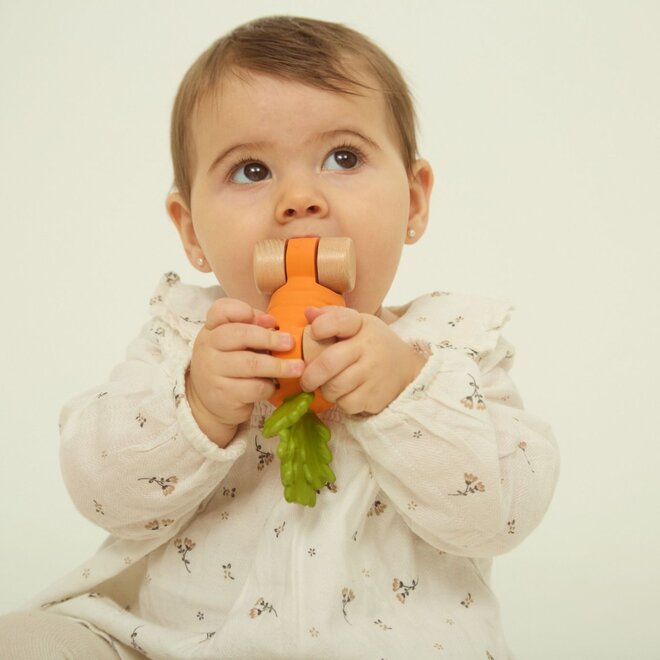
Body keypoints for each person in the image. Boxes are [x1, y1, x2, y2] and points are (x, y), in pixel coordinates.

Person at [0, 15, 559, 659]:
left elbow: (504, 515)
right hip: (171, 645)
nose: (298, 198)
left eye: (343, 157)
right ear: (190, 231)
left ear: (414, 201)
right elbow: (100, 492)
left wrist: (404, 394)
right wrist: (197, 408)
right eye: (251, 170)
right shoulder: (183, 341)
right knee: (29, 642)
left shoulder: (451, 349)